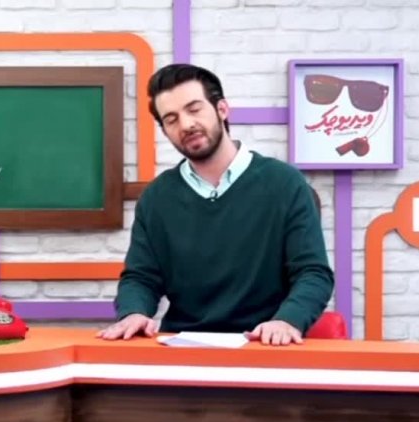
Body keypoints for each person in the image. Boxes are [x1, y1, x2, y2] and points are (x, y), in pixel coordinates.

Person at [96, 63, 334, 346]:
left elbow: (313, 273)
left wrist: (288, 320)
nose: (186, 125)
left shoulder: (285, 184)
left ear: (221, 109)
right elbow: (141, 277)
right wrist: (134, 312)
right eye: (171, 119)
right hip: (182, 348)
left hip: (265, 343)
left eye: (194, 109)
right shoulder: (156, 198)